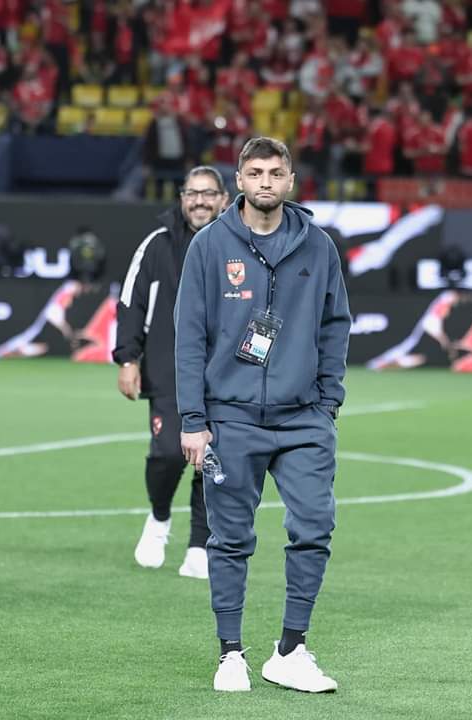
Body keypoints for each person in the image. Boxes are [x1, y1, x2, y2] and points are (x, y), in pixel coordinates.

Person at [174, 138, 350, 693]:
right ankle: (230, 653)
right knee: (229, 539)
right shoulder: (208, 245)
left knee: (315, 527)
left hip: (304, 419)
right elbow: (189, 337)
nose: (266, 182)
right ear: (240, 180)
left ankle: (291, 650)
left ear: (291, 180)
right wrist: (192, 418)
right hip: (230, 418)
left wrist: (329, 400)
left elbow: (336, 324)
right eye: (255, 173)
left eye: (276, 172)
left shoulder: (319, 245)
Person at [113, 166, 229, 579]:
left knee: (214, 461)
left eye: (208, 193)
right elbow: (131, 302)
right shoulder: (158, 244)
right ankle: (159, 517)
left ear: (224, 199)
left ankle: (199, 545)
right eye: (192, 193)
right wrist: (128, 359)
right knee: (167, 454)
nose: (200, 201)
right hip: (169, 371)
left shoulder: (241, 243)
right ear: (182, 198)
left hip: (226, 375)